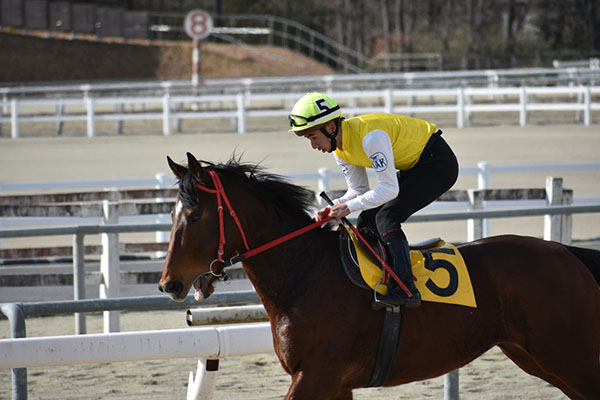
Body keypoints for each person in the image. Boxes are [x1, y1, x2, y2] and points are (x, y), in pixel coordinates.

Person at [288, 92, 459, 308]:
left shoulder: (371, 138)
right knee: (367, 219)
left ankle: (406, 287)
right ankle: (382, 279)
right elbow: (358, 190)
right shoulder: (340, 150)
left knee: (387, 217)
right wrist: (333, 208)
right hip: (416, 165)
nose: (314, 146)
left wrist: (348, 207)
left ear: (331, 128)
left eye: (313, 137)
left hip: (438, 163)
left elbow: (388, 190)